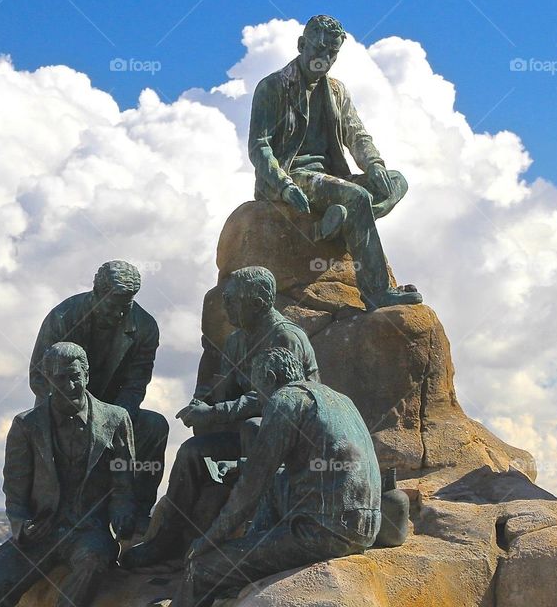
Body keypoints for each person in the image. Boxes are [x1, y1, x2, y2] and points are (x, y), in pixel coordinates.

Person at [121, 266, 318, 568]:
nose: (226, 309)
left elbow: (271, 398)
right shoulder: (237, 340)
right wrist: (204, 397)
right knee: (191, 451)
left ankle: (259, 534)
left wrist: (212, 413)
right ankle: (167, 539)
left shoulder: (285, 337)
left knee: (253, 428)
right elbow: (225, 386)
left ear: (257, 302)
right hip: (248, 433)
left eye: (232, 301)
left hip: (289, 435)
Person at [172, 347, 381, 607]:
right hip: (366, 528)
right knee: (278, 479)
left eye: (255, 384)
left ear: (270, 377)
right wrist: (238, 465)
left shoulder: (285, 400)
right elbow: (278, 469)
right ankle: (252, 553)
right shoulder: (339, 399)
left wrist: (208, 540)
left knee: (201, 569)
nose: (255, 393)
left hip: (320, 533)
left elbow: (250, 489)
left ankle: (238, 561)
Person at [248, 14, 422, 310]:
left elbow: (357, 135)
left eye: (332, 53)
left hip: (332, 179)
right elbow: (259, 147)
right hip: (295, 174)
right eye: (318, 49)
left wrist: (374, 166)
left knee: (396, 181)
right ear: (302, 45)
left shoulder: (338, 91)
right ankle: (376, 291)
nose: (324, 58)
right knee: (355, 198)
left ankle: (341, 225)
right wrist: (284, 186)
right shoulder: (273, 88)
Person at [0, 342, 136, 607]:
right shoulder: (26, 425)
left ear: (87, 375)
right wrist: (21, 524)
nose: (69, 385)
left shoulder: (116, 419)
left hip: (89, 532)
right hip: (40, 532)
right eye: (60, 378)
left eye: (75, 377)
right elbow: (15, 490)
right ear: (48, 380)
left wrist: (123, 514)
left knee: (93, 561)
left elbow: (123, 484)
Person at [29, 260, 168, 529]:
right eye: (113, 303)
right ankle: (48, 515)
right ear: (97, 292)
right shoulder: (63, 317)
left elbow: (136, 384)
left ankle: (136, 516)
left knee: (155, 427)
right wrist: (77, 410)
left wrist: (110, 419)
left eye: (125, 304)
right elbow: (39, 377)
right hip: (62, 409)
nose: (118, 312)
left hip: (113, 411)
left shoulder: (145, 327)